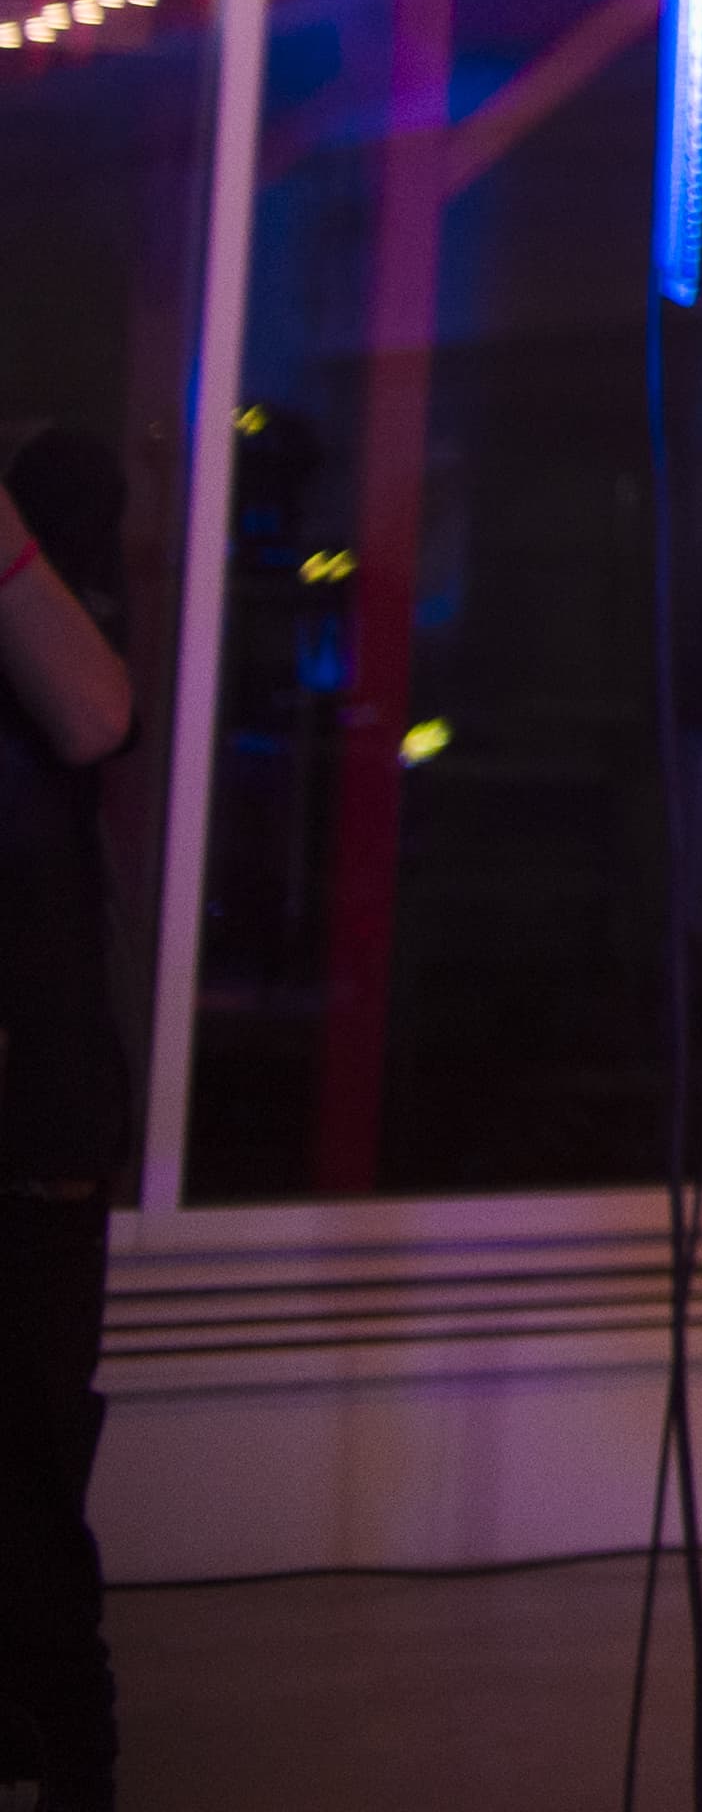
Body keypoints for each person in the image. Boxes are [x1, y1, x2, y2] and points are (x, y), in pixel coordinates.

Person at [0, 428, 129, 1812]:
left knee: (27, 1474)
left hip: (32, 1105)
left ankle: (64, 1756)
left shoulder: (54, 495)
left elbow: (95, 715)